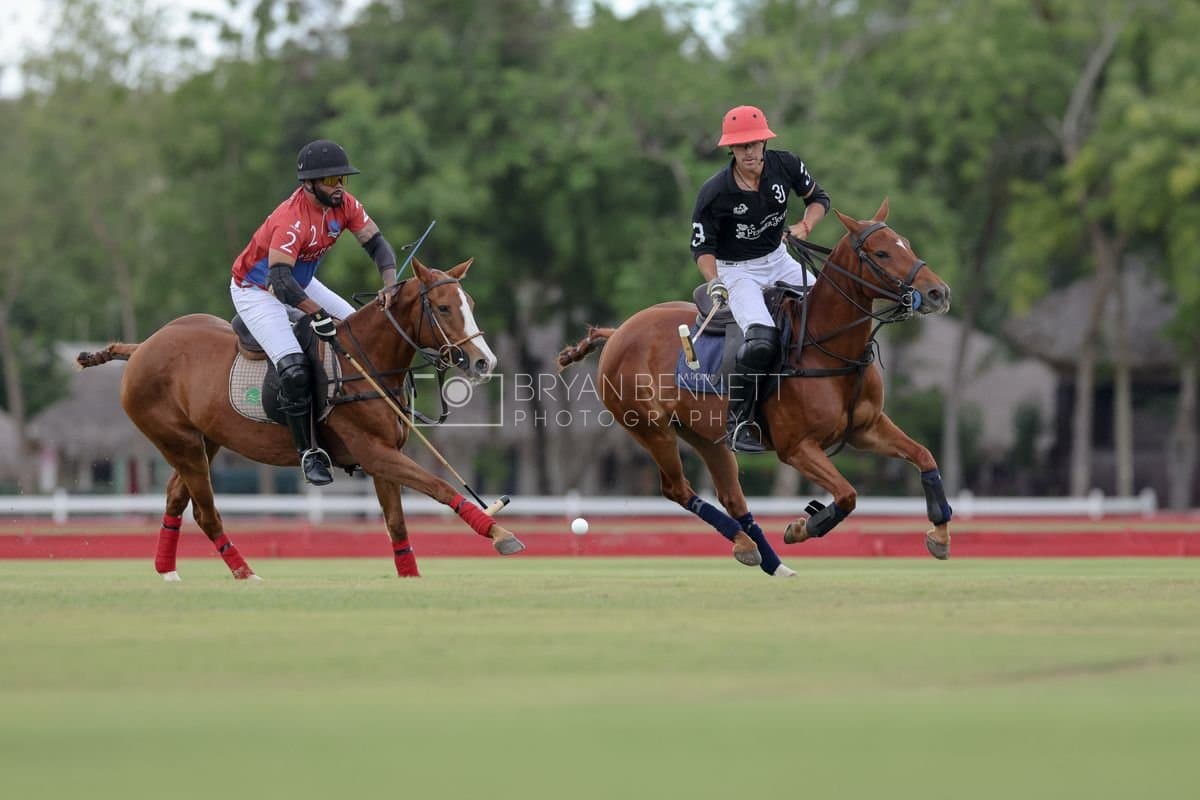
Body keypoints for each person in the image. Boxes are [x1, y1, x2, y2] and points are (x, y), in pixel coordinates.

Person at [230, 139, 398, 486]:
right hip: (257, 290)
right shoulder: (290, 220)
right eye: (331, 181)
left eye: (343, 180)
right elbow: (279, 281)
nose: (339, 188)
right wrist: (316, 313)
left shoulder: (344, 205)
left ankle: (358, 436)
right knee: (292, 368)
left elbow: (377, 244)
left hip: (301, 279)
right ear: (308, 185)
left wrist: (391, 282)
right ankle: (309, 452)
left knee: (359, 338)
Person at [690, 105, 831, 453]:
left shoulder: (786, 165)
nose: (750, 151)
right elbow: (702, 248)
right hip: (738, 271)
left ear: (764, 143)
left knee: (826, 312)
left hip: (779, 258)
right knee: (762, 339)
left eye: (754, 144)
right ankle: (738, 420)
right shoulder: (714, 193)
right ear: (731, 150)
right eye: (742, 146)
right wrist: (715, 281)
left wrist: (804, 225)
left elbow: (818, 199)